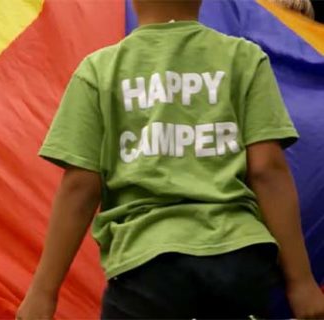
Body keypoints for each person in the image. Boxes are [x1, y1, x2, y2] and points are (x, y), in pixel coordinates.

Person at [17, 0, 324, 318]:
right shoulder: (243, 58)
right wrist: (301, 283)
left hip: (146, 267)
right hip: (238, 262)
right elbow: (266, 171)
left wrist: (43, 293)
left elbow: (81, 187)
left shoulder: (99, 70)